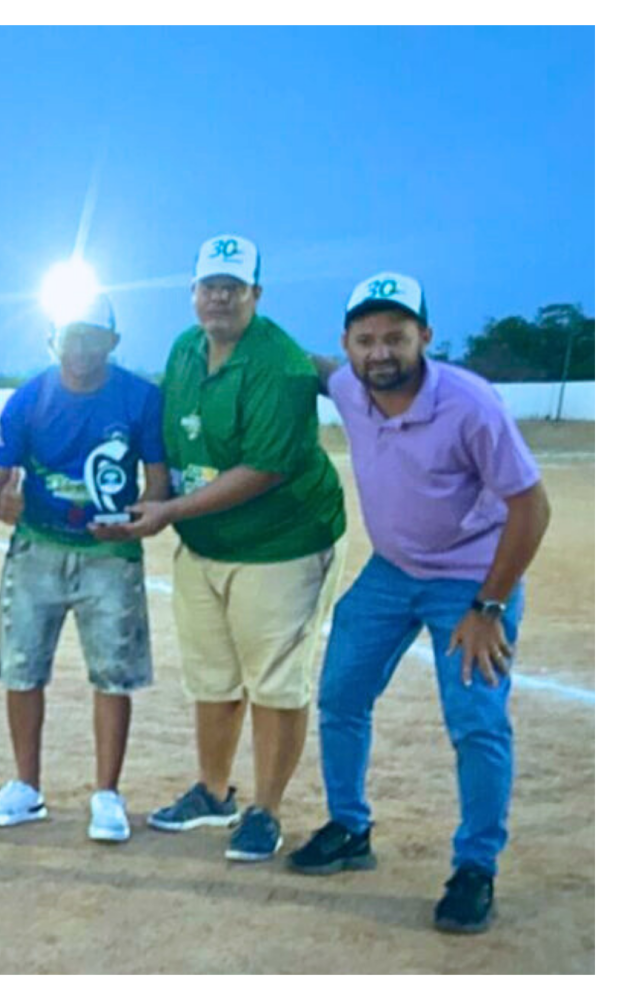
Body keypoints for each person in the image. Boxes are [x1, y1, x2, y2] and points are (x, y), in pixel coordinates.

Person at [287, 273, 550, 934]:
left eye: (395, 338)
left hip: (470, 579)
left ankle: (476, 867)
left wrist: (488, 608)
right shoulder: (350, 388)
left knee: (476, 720)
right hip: (392, 571)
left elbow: (531, 507)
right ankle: (350, 828)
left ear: (425, 337)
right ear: (347, 344)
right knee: (341, 694)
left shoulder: (470, 404)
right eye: (365, 339)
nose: (380, 352)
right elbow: (314, 368)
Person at [96, 235, 345, 862]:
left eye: (233, 287)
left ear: (256, 293)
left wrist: (170, 512)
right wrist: (155, 497)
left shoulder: (279, 365)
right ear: (193, 292)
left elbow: (263, 469)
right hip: (204, 546)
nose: (220, 298)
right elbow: (169, 435)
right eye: (210, 286)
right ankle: (213, 791)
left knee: (276, 684)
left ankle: (267, 809)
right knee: (213, 677)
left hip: (281, 545)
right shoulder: (185, 349)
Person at [0, 292, 165, 841]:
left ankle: (107, 792)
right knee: (22, 668)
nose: (80, 349)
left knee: (113, 674)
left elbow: (158, 482)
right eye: (70, 337)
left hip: (110, 553)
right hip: (38, 547)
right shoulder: (29, 399)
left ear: (113, 341)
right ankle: (26, 785)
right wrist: (2, 506)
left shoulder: (140, 398)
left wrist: (138, 519)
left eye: (92, 338)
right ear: (52, 340)